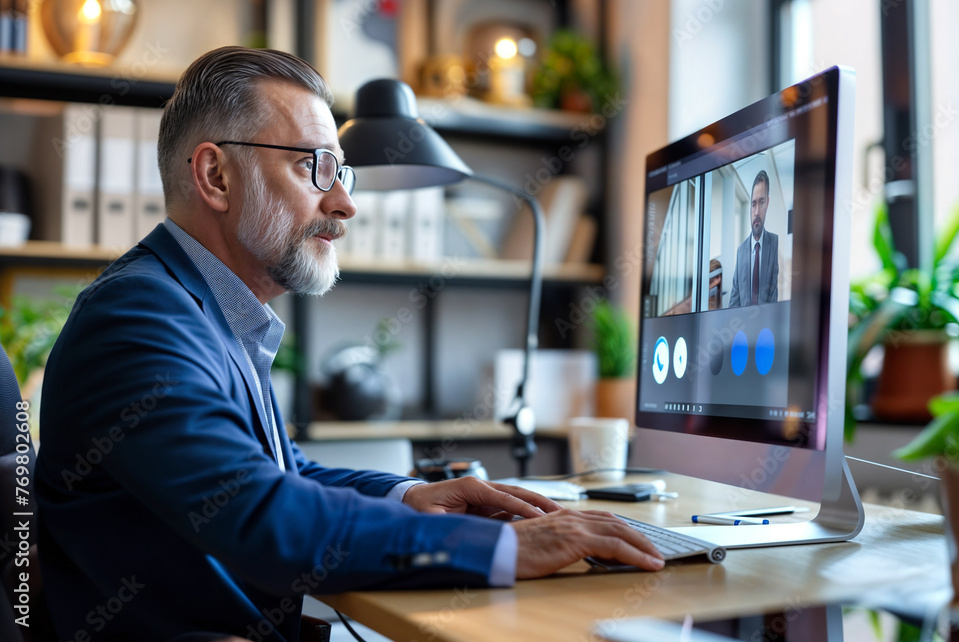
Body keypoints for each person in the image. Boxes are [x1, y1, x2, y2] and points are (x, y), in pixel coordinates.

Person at [34, 47, 664, 642]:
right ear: (215, 175)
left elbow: (280, 473)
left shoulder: (202, 307)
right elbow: (261, 515)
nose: (344, 203)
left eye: (342, 172)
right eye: (315, 168)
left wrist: (408, 496)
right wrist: (506, 547)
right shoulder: (139, 317)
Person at [729, 170, 778, 307]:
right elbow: (734, 301)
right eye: (753, 204)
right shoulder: (740, 251)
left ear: (767, 203)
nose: (756, 212)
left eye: (761, 202)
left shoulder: (774, 243)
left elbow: (773, 300)